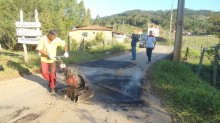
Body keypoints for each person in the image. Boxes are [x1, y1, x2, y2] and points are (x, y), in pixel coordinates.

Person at [36, 29, 69, 94]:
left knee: (52, 73)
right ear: (49, 35)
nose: (54, 38)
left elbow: (64, 44)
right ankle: (51, 81)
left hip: (52, 59)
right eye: (53, 37)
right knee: (44, 73)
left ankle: (52, 88)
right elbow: (39, 49)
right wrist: (48, 54)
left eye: (55, 37)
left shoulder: (56, 39)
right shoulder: (43, 39)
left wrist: (66, 52)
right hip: (44, 59)